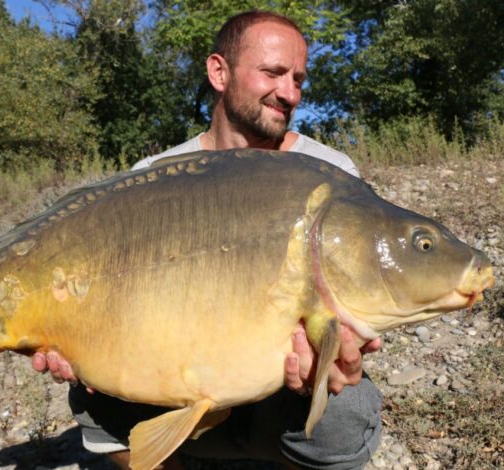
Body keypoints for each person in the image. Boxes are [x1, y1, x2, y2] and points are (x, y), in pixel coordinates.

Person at [32, 10, 383, 469]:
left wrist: (341, 352)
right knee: (92, 398)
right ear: (219, 72)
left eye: (299, 78)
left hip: (279, 394)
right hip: (172, 383)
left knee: (346, 416)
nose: (290, 93)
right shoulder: (155, 178)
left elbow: (357, 305)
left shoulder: (326, 172)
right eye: (273, 73)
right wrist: (73, 346)